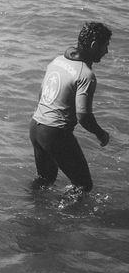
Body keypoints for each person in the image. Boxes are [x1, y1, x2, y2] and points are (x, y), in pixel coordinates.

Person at [29, 22, 112, 195]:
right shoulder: (86, 75)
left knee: (45, 179)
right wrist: (100, 133)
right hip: (55, 133)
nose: (106, 51)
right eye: (105, 46)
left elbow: (41, 94)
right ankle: (61, 212)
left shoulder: (58, 60)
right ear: (94, 45)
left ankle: (29, 205)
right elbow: (83, 115)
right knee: (83, 185)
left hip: (36, 126)